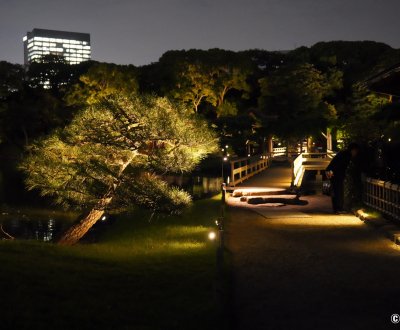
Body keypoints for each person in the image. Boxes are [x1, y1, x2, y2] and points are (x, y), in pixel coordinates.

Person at [326, 143, 360, 214]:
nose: (356, 153)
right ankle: (338, 209)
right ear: (353, 150)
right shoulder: (346, 155)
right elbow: (341, 167)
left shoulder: (344, 153)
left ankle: (337, 208)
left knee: (337, 191)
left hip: (332, 172)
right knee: (338, 191)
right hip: (335, 173)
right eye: (356, 151)